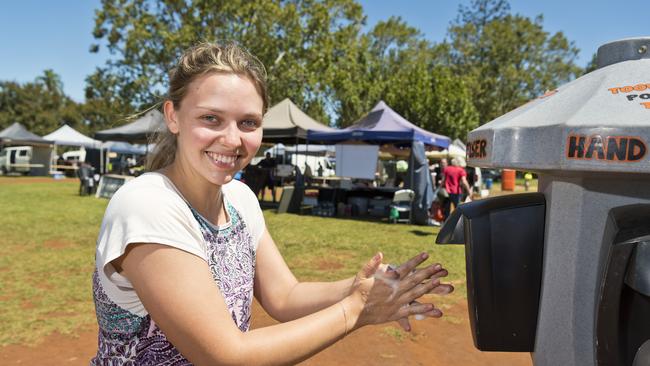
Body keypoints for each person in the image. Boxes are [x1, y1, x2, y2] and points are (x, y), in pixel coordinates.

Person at [90, 42, 454, 365]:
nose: (232, 139)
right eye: (210, 118)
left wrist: (363, 288)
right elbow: (226, 355)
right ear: (173, 116)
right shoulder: (148, 204)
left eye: (248, 122)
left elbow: (284, 296)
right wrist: (356, 309)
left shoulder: (239, 198)